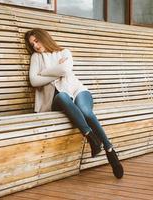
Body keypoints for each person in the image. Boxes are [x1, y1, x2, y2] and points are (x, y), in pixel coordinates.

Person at [25, 28, 124, 179]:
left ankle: (109, 149)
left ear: (44, 38)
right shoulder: (36, 58)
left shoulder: (64, 52)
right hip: (57, 98)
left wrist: (43, 72)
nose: (36, 46)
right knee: (63, 97)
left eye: (37, 41)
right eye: (32, 44)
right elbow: (34, 81)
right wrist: (56, 71)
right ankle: (91, 136)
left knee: (86, 111)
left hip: (78, 90)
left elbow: (65, 70)